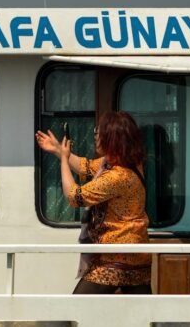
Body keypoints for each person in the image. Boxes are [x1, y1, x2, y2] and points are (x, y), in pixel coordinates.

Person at [36, 110, 151, 294]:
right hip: (134, 255)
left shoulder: (118, 176)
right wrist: (59, 150)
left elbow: (75, 196)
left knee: (80, 306)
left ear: (112, 139)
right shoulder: (128, 163)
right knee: (140, 314)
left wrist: (64, 160)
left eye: (100, 133)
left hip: (116, 259)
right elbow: (86, 167)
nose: (96, 137)